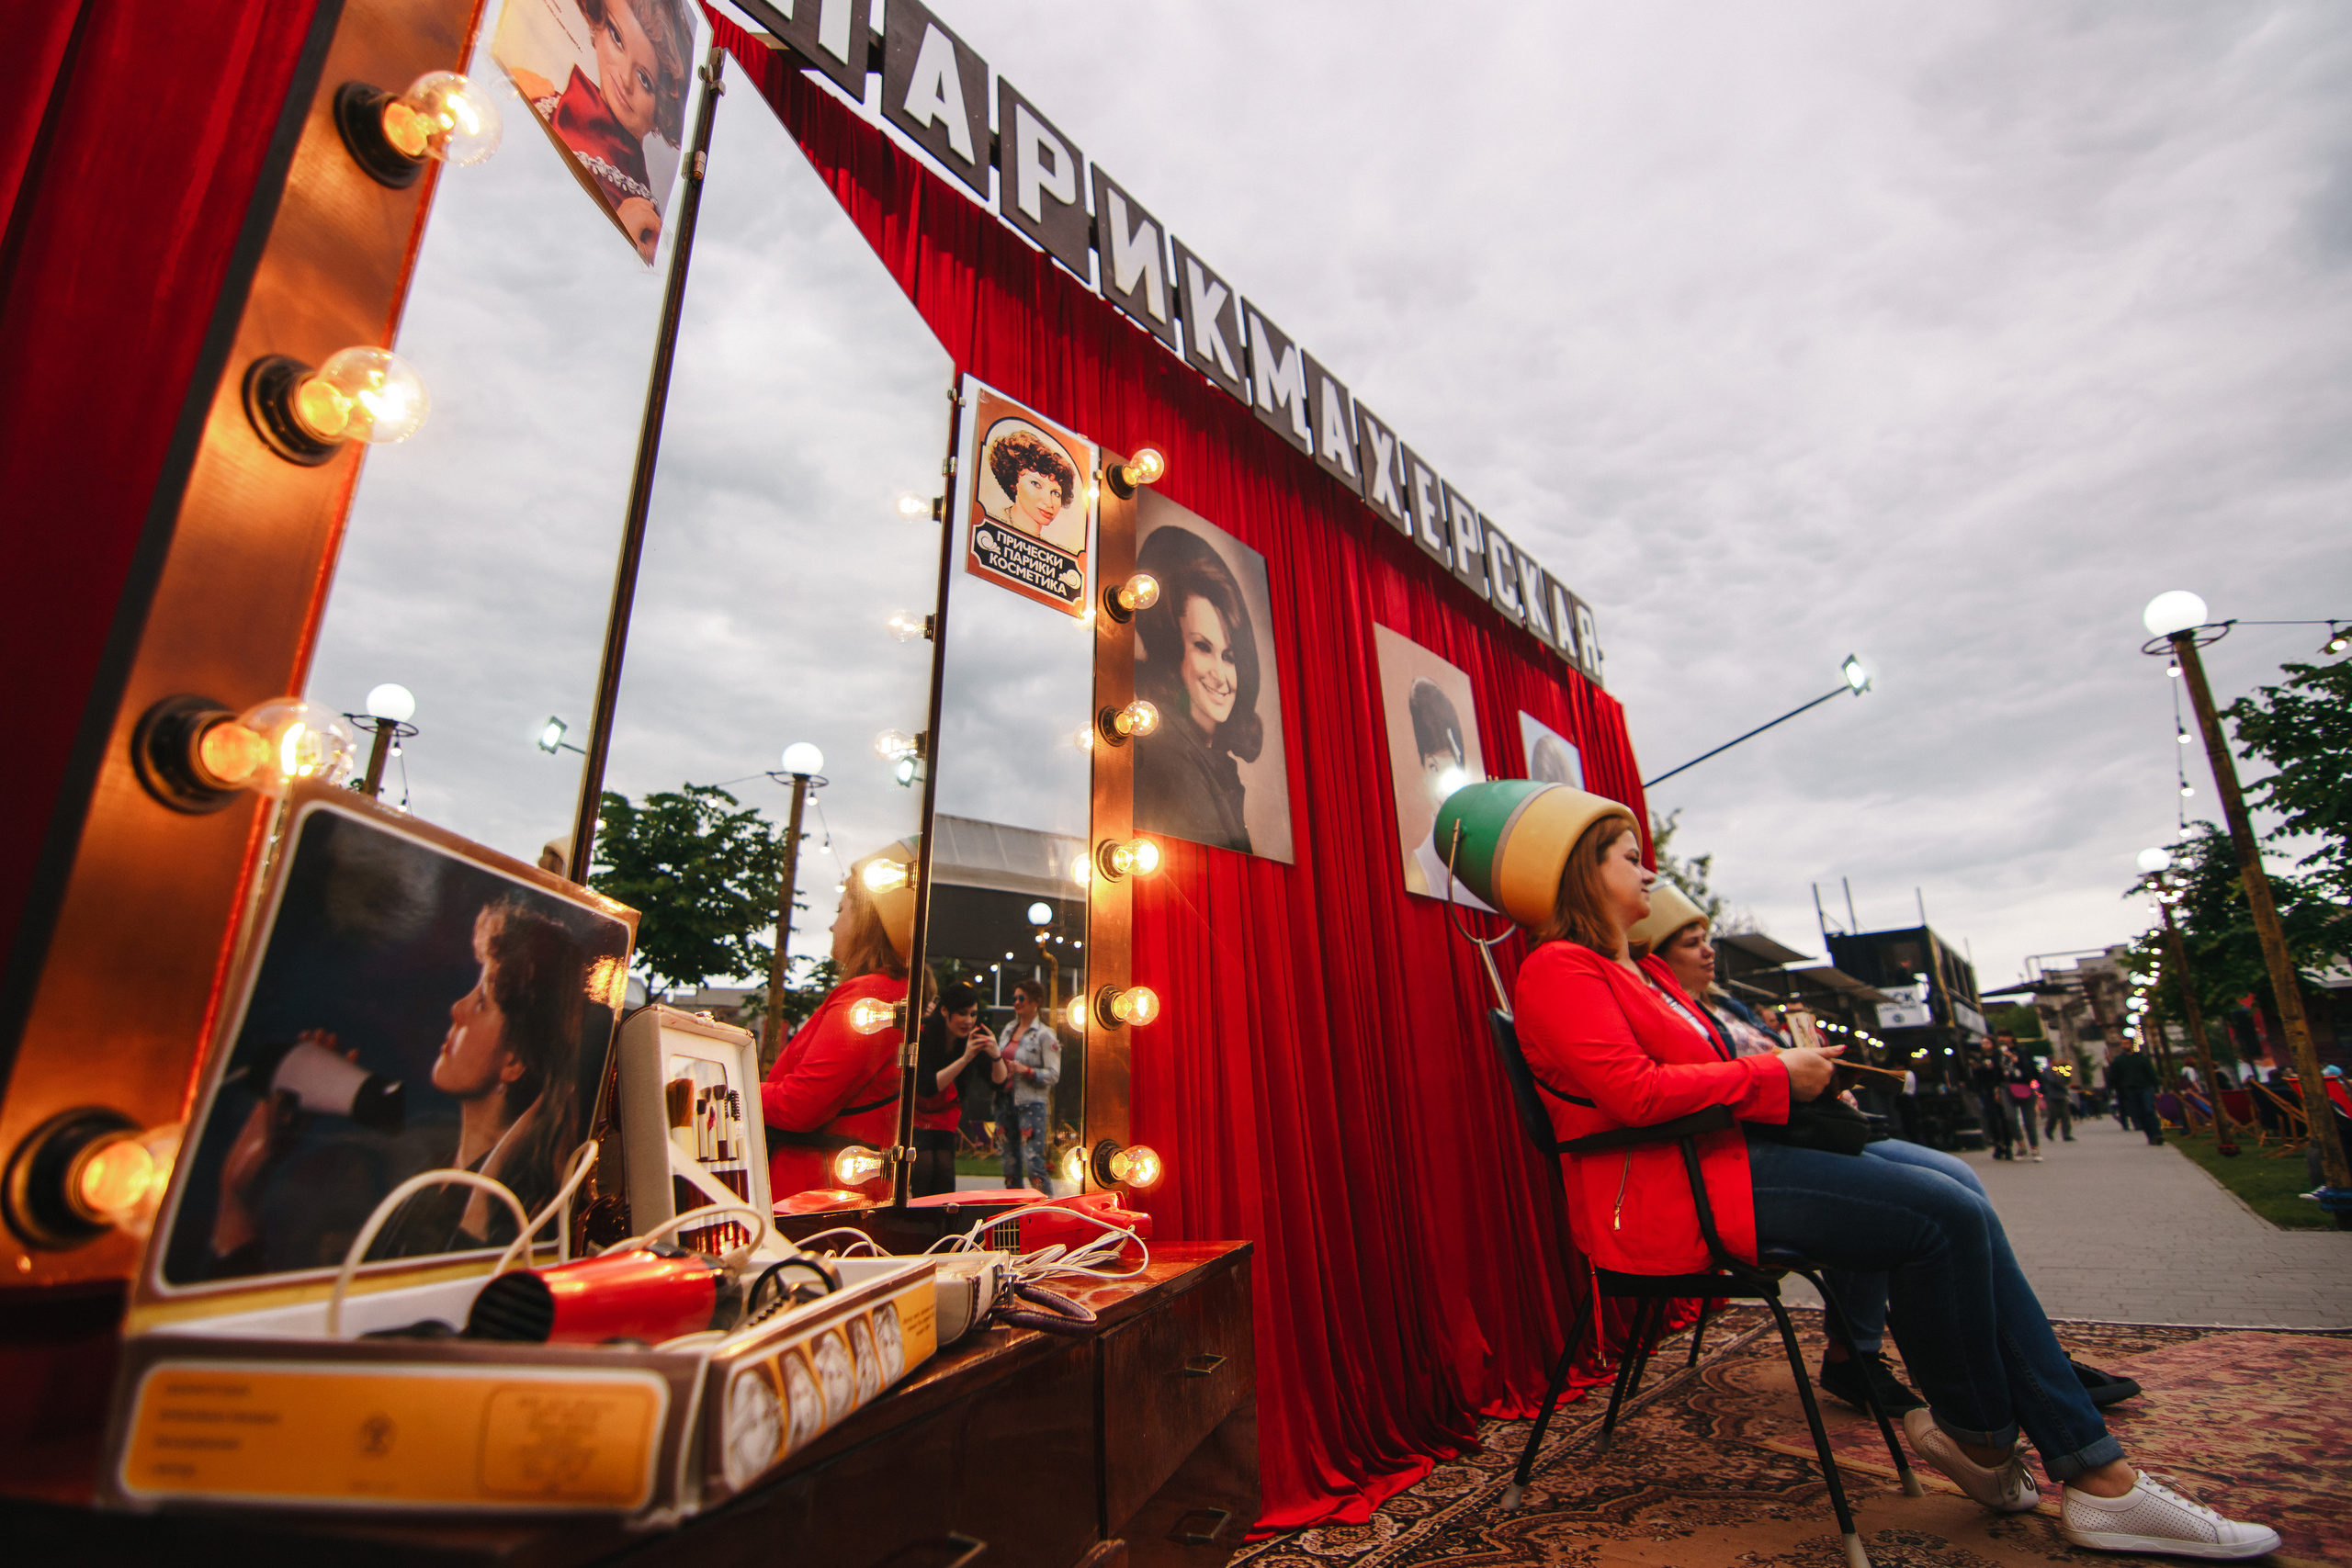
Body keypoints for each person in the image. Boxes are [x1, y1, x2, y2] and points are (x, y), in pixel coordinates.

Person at [1438, 779, 2277, 1558]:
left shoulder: (1636, 969)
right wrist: (1776, 1074)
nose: (1650, 868)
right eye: (1628, 855)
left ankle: (2009, 1445)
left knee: (1958, 1192)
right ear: (1583, 872)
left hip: (1725, 1162)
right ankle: (2063, 1464)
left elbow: (1702, 1072)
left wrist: (1787, 1072)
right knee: (1940, 1215)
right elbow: (1629, 1093)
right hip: (1675, 1194)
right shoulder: (1560, 967)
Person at [1630, 887, 2136, 1417]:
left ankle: (2024, 1359)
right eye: (1692, 943)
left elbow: (1774, 1063)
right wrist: (1790, 1077)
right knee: (1924, 1200)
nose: (1709, 951)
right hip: (1771, 1144)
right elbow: (1706, 1084)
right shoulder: (1672, 1013)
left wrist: (1821, 1075)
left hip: (1822, 1126)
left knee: (1961, 1180)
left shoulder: (1725, 1004)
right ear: (1658, 959)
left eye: (1708, 939)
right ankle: (1977, 1378)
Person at [210, 897, 590, 1271]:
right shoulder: (430, 1180)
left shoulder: (492, 1219)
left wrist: (235, 1207)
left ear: (515, 1061)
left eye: (482, 1002)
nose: (456, 1008)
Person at [762, 842, 916, 1202]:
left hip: (812, 1195)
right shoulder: (892, 993)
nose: (832, 924)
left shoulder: (870, 996)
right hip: (842, 1194)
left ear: (864, 922)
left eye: (840, 909)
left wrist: (733, 1092)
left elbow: (798, 1105)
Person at [508, 0, 695, 262]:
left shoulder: (645, 223)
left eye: (645, 80)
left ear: (664, 109)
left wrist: (620, 243)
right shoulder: (541, 96)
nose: (625, 80)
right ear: (598, 27)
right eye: (617, 38)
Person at [1133, 526, 1264, 854]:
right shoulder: (1170, 761)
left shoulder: (1210, 761)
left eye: (1230, 657)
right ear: (1173, 650)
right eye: (1203, 647)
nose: (1220, 676)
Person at [1400, 679, 1497, 907]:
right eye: (1433, 767)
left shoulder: (1485, 845)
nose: (1443, 788)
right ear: (1423, 769)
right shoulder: (1423, 865)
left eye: (1450, 766)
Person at [911, 981, 996, 1197]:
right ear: (944, 1011)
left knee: (945, 1167)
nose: (968, 1020)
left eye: (973, 1014)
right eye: (962, 1013)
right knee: (923, 1166)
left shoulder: (971, 1038)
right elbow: (927, 1086)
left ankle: (943, 1225)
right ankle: (917, 1223)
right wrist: (965, 1059)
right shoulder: (924, 1035)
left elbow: (999, 1082)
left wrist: (997, 1056)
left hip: (945, 1112)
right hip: (917, 1110)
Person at [994, 979, 1060, 1190]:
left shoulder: (1045, 1034)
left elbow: (1053, 1075)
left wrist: (1027, 1071)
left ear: (1036, 1002)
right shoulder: (1008, 1030)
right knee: (1009, 1164)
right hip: (1004, 1101)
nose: (1016, 1002)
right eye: (1014, 998)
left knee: (1033, 1162)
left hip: (1031, 1104)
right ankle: (1014, 1215)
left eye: (1021, 998)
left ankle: (1046, 1211)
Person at [983, 426, 1084, 554]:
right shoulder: (992, 523)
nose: (1049, 503)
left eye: (1055, 493)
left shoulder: (1049, 551)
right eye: (1036, 484)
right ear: (1014, 483)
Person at [2109, 1040, 2163, 1145]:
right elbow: (2115, 1077)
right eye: (2123, 1043)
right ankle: (2151, 1136)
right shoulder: (2119, 1060)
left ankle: (2157, 1133)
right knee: (2140, 1113)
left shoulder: (2142, 1059)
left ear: (2132, 1045)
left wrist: (2156, 1090)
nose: (2125, 1045)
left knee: (2149, 1110)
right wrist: (2117, 1091)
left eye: (2127, 1043)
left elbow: (2151, 1074)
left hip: (2144, 1088)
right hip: (2129, 1089)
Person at [2004, 1044, 2043, 1161]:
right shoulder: (2001, 1056)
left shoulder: (2024, 1055)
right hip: (2008, 1088)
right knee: (2010, 1117)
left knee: (2029, 1121)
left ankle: (2035, 1149)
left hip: (2026, 1088)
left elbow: (2031, 1072)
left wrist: (2017, 1061)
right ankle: (2021, 1146)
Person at [2042, 1059, 2077, 1143]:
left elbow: (2066, 1079)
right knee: (2053, 1116)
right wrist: (2062, 1084)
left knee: (2065, 1116)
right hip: (2052, 1097)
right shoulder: (2048, 1071)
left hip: (2061, 1096)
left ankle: (2066, 1135)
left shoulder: (2061, 1070)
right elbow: (2053, 1081)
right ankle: (2048, 1131)